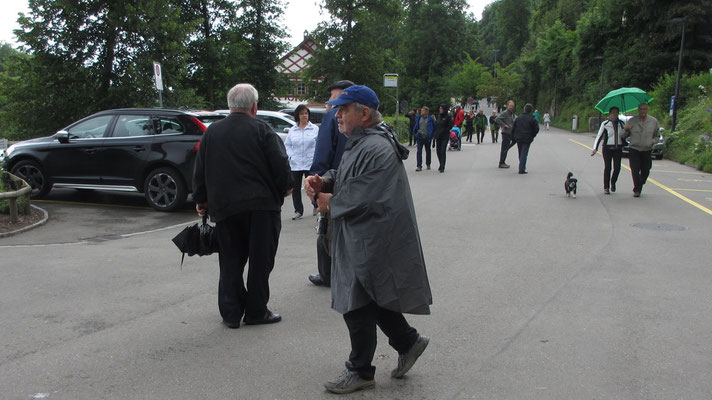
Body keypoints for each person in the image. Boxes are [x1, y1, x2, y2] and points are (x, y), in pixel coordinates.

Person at [303, 85, 432, 395]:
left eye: (343, 109)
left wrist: (331, 201)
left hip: (371, 236)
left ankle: (360, 370)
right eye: (336, 109)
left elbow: (366, 193)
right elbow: (351, 174)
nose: (337, 115)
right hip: (365, 234)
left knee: (356, 301)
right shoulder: (363, 140)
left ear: (363, 113)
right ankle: (407, 342)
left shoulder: (376, 146)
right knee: (370, 295)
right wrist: (327, 178)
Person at [193, 83, 293, 329]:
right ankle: (257, 311)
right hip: (262, 208)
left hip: (225, 208)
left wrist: (201, 200)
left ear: (230, 106)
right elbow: (280, 165)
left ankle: (230, 313)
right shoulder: (263, 130)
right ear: (254, 106)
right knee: (261, 261)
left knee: (230, 261)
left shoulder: (211, 132)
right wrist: (286, 187)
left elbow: (200, 168)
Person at [307, 80, 354, 287]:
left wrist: (316, 186)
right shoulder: (358, 119)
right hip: (352, 180)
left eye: (333, 99)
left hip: (332, 180)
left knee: (325, 227)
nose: (331, 105)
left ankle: (326, 274)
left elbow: (323, 152)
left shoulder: (331, 117)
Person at [285, 105, 319, 220]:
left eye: (306, 113)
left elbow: (319, 145)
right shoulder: (292, 130)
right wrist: (291, 156)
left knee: (312, 186)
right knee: (295, 188)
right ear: (297, 116)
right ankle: (298, 210)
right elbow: (288, 145)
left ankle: (316, 205)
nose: (304, 116)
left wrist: (316, 157)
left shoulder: (314, 129)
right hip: (296, 163)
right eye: (302, 113)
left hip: (310, 162)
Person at [622, 103, 660, 197]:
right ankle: (637, 190)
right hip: (634, 149)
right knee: (634, 170)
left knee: (646, 170)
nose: (643, 111)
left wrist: (652, 141)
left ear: (647, 110)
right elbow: (623, 136)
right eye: (641, 109)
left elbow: (657, 136)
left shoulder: (653, 121)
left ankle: (640, 182)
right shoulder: (632, 121)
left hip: (646, 149)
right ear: (638, 110)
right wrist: (626, 129)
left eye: (644, 109)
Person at [591, 106, 625, 194]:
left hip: (618, 148)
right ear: (610, 114)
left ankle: (613, 181)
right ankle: (606, 187)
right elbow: (599, 136)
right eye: (613, 112)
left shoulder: (621, 124)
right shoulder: (605, 124)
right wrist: (595, 148)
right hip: (607, 148)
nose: (614, 114)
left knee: (617, 167)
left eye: (616, 112)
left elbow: (625, 135)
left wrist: (627, 129)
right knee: (608, 167)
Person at [511, 103, 539, 174]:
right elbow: (536, 129)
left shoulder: (518, 118)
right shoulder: (532, 119)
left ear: (524, 109)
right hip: (527, 138)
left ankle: (521, 165)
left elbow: (513, 128)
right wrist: (533, 135)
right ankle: (521, 168)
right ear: (531, 110)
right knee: (524, 153)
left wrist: (513, 136)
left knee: (520, 152)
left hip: (518, 138)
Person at [495, 100, 516, 168]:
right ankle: (501, 162)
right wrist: (504, 125)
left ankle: (503, 160)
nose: (511, 107)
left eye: (512, 106)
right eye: (510, 106)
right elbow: (497, 119)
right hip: (506, 132)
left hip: (511, 132)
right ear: (507, 106)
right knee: (504, 147)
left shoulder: (511, 113)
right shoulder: (505, 112)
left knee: (509, 145)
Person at [413, 106, 435, 171]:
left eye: (423, 111)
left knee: (428, 151)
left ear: (427, 112)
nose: (421, 112)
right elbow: (416, 127)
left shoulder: (430, 119)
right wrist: (415, 134)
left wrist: (431, 136)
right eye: (421, 110)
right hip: (420, 137)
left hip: (427, 137)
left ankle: (428, 164)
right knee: (419, 151)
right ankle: (419, 166)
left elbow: (434, 127)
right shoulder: (419, 118)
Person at [433, 104, 453, 173]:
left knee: (442, 151)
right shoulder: (439, 117)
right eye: (440, 108)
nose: (440, 110)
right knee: (438, 151)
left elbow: (450, 126)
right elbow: (436, 126)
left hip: (444, 136)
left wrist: (444, 130)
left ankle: (442, 166)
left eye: (441, 108)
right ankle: (440, 163)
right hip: (438, 136)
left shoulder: (448, 117)